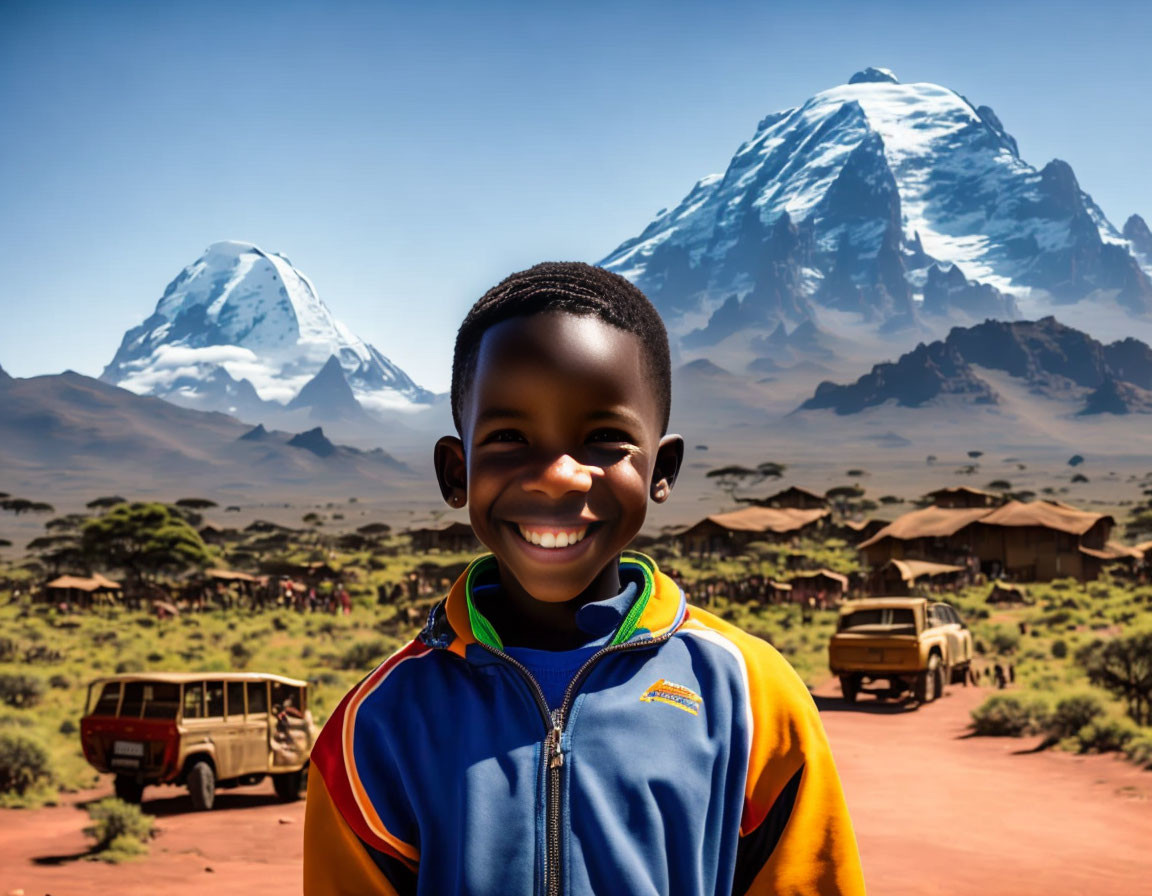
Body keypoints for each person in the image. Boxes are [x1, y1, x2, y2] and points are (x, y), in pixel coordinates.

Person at [303, 263, 865, 895]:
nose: (559, 475)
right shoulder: (379, 727)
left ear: (662, 468)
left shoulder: (751, 699)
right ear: (455, 473)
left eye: (604, 438)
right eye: (510, 436)